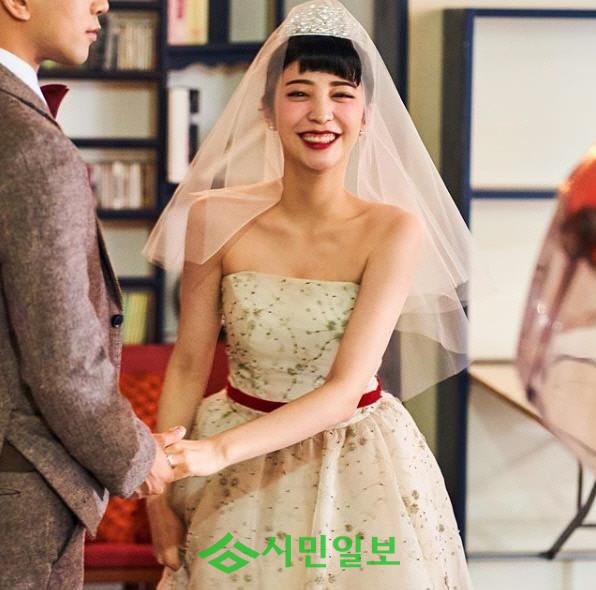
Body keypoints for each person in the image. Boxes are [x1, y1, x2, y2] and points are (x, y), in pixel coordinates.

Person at [143, 1, 483, 587]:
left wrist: (218, 452)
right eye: (298, 93)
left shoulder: (393, 230)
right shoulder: (213, 216)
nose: (321, 113)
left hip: (351, 460)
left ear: (367, 115)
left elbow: (346, 389)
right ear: (267, 110)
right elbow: (190, 361)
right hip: (230, 467)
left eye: (341, 94)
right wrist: (159, 495)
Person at [0, 0, 188, 587]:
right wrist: (136, 455)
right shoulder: (27, 142)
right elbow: (61, 355)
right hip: (19, 483)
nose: (102, 3)